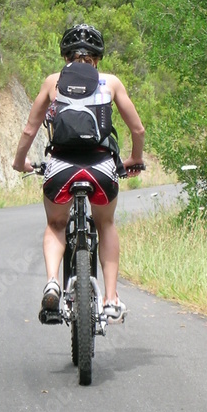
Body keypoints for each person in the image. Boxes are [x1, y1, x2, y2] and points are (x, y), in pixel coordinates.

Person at [12, 24, 145, 322]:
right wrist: (134, 158)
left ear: (66, 56)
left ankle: (52, 282)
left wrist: (20, 162)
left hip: (61, 167)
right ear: (97, 58)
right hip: (102, 169)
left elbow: (30, 130)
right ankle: (110, 300)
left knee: (56, 224)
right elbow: (138, 129)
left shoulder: (53, 82)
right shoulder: (111, 82)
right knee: (106, 223)